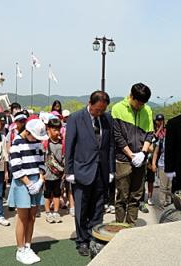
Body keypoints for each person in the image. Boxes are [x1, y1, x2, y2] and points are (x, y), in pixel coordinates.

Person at [65, 91, 115, 256]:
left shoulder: (107, 119)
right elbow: (69, 146)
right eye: (97, 110)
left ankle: (95, 237)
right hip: (82, 171)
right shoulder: (75, 118)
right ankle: (82, 241)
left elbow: (110, 146)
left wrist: (111, 170)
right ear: (90, 103)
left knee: (98, 208)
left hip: (101, 171)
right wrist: (69, 171)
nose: (99, 113)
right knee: (82, 209)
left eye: (102, 110)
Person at [111, 83, 153, 225]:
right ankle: (119, 226)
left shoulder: (147, 110)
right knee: (122, 195)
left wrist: (143, 152)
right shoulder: (117, 109)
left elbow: (149, 133)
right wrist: (131, 155)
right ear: (131, 96)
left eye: (143, 104)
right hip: (123, 159)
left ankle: (130, 226)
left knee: (136, 195)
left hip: (141, 159)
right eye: (139, 103)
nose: (141, 106)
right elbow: (117, 136)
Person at [8, 119, 47, 265]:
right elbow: (16, 167)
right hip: (22, 182)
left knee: (32, 217)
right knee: (23, 218)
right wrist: (30, 184)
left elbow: (41, 162)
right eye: (35, 136)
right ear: (28, 132)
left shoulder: (37, 143)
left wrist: (41, 180)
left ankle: (28, 246)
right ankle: (20, 249)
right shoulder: (16, 143)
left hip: (37, 180)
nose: (37, 139)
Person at [43, 118, 64, 223]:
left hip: (58, 174)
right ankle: (47, 212)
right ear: (49, 129)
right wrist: (42, 173)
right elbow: (42, 159)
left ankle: (56, 212)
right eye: (54, 130)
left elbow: (64, 157)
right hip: (47, 174)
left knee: (57, 193)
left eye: (58, 129)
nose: (57, 132)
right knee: (47, 193)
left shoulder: (62, 143)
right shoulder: (45, 143)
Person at [152, 132, 171, 207]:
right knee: (163, 186)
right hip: (163, 165)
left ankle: (168, 201)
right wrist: (153, 163)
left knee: (170, 186)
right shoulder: (161, 141)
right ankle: (162, 203)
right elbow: (156, 153)